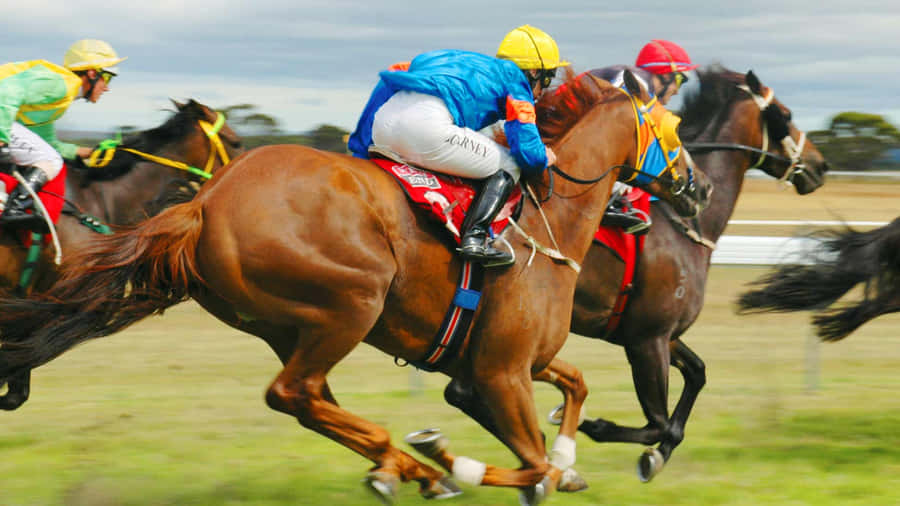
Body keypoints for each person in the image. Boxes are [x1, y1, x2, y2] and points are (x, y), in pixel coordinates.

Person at [348, 25, 568, 267]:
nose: (542, 91)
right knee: (510, 164)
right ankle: (475, 239)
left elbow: (389, 77)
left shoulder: (454, 58)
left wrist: (361, 146)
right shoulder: (516, 81)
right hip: (426, 127)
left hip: (384, 123)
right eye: (547, 78)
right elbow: (526, 153)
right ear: (534, 71)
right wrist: (544, 158)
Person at [0, 39, 125, 233]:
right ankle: (15, 208)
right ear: (92, 73)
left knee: (50, 156)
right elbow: (5, 92)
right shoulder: (61, 84)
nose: (107, 87)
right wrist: (2, 138)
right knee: (50, 160)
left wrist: (87, 152)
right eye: (107, 78)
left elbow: (47, 143)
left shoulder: (59, 100)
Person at [591, 39, 697, 233]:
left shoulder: (640, 92)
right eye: (680, 80)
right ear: (664, 75)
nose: (677, 90)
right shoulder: (637, 83)